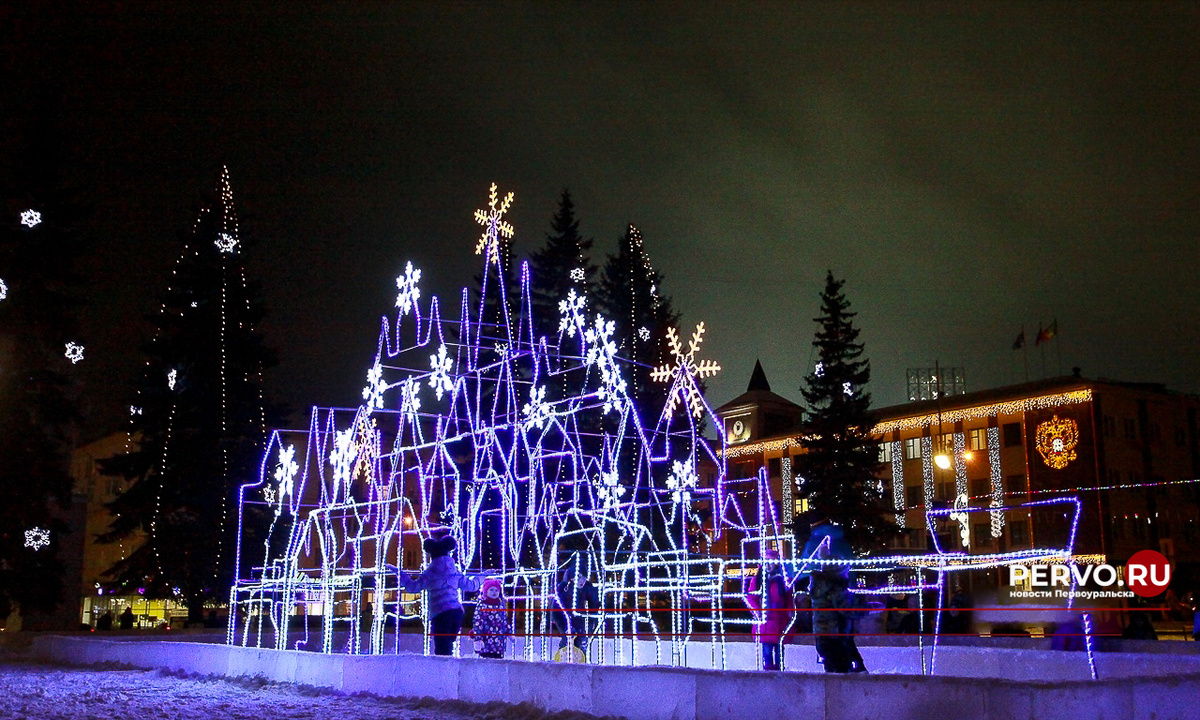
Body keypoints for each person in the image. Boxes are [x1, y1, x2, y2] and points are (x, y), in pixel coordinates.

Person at [396, 535, 488, 656]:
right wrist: (483, 575)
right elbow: (472, 586)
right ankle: (449, 663)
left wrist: (400, 574)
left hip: (440, 613)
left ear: (431, 555)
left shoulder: (429, 574)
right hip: (456, 612)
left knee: (442, 649)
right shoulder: (454, 571)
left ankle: (444, 666)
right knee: (448, 644)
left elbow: (413, 588)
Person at [798, 510, 866, 673]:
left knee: (831, 653)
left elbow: (804, 566)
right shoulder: (842, 541)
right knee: (845, 635)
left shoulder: (814, 542)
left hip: (825, 595)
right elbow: (851, 563)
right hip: (846, 587)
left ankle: (839, 673)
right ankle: (857, 667)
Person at [746, 548, 792, 671]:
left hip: (779, 620)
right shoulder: (758, 580)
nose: (768, 565)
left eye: (771, 562)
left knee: (779, 653)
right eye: (766, 562)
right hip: (765, 621)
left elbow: (789, 598)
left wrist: (790, 610)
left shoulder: (783, 579)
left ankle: (779, 675)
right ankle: (769, 676)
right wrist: (757, 612)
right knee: (767, 653)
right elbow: (751, 597)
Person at [552, 556, 599, 657]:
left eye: (584, 578)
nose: (581, 582)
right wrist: (562, 625)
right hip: (564, 618)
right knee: (567, 640)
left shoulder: (587, 587)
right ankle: (564, 658)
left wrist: (592, 621)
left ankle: (580, 658)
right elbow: (556, 608)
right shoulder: (565, 587)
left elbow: (594, 603)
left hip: (580, 619)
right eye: (578, 578)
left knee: (581, 641)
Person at [470, 578, 511, 659]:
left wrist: (509, 632)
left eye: (496, 590)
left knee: (498, 661)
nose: (494, 592)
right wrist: (478, 639)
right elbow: (478, 623)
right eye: (491, 590)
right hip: (486, 643)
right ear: (486, 591)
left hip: (499, 644)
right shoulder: (482, 605)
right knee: (487, 660)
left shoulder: (500, 606)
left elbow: (504, 621)